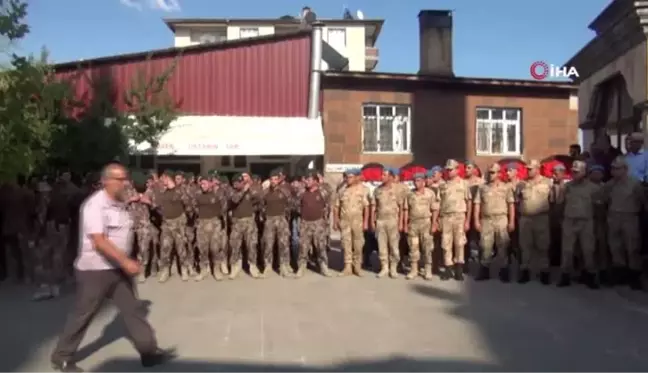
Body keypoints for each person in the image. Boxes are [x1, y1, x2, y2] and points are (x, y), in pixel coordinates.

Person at [50, 162, 175, 373]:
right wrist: (126, 261)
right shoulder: (95, 206)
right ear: (106, 181)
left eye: (125, 178)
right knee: (83, 314)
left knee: (132, 310)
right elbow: (99, 241)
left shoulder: (119, 202)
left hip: (116, 269)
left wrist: (124, 262)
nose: (125, 183)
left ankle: (149, 352)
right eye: (120, 179)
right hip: (95, 271)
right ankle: (61, 357)